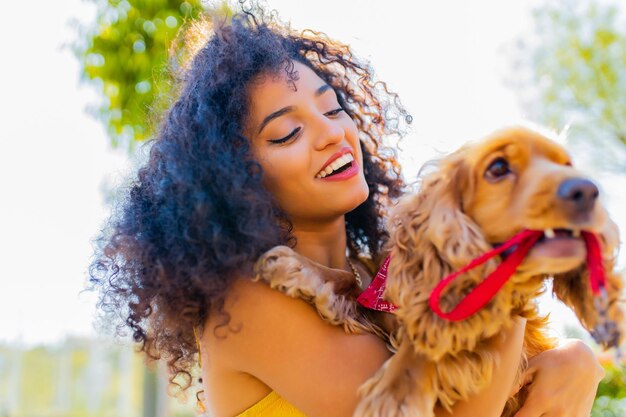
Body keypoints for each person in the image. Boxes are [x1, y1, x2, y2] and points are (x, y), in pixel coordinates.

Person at [89, 4, 604, 417]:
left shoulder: (380, 275)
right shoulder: (248, 302)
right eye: (288, 132)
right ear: (232, 179)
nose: (333, 133)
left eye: (333, 107)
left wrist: (575, 362)